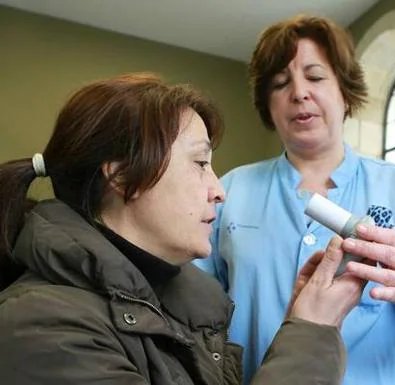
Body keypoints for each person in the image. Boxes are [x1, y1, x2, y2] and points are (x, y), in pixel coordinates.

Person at [0, 73, 370, 385]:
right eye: (200, 162)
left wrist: (300, 323)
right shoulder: (44, 327)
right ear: (123, 176)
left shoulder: (191, 314)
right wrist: (311, 330)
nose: (219, 191)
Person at [195, 15, 395, 385]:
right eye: (281, 83)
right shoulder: (230, 190)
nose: (298, 93)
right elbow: (192, 308)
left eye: (314, 77)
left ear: (345, 91)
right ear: (267, 104)